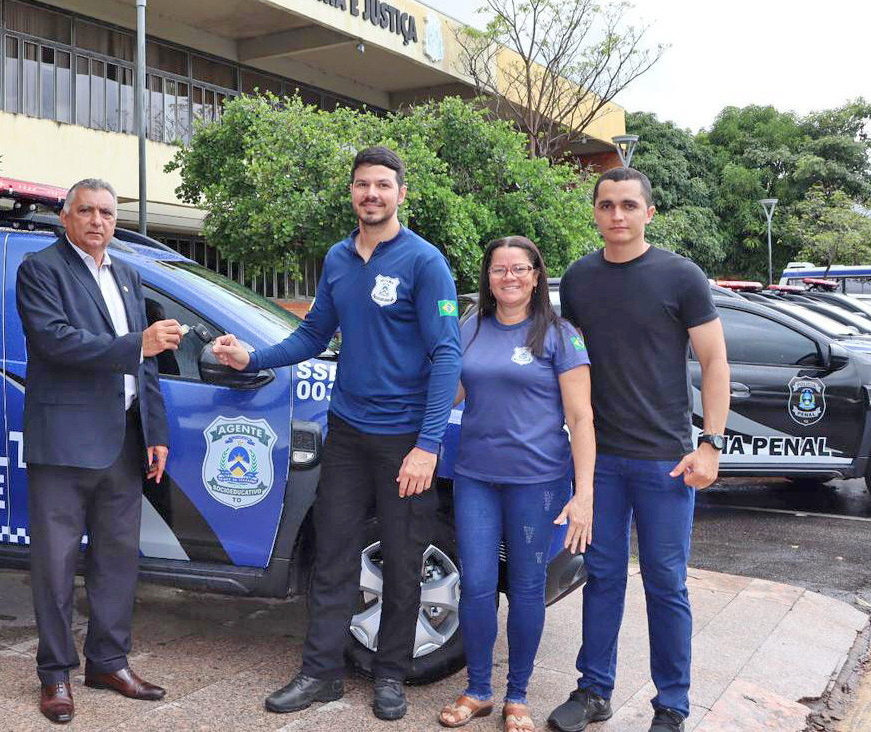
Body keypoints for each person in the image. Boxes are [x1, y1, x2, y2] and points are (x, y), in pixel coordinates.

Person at [213, 146, 461, 721]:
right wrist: (251, 358)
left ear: (401, 193)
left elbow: (447, 354)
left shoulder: (425, 262)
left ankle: (390, 675)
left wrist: (427, 446)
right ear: (352, 192)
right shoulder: (338, 258)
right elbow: (313, 336)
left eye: (383, 185)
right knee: (333, 555)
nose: (371, 194)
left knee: (403, 558)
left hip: (404, 439)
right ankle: (320, 673)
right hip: (347, 432)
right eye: (362, 184)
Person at [547, 167, 729, 732]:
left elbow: (714, 361)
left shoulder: (681, 276)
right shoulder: (579, 279)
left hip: (666, 461)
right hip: (600, 460)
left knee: (665, 583)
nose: (617, 215)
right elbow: (570, 366)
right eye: (606, 205)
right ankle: (593, 691)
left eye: (629, 205)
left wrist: (710, 444)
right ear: (595, 212)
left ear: (649, 212)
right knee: (601, 576)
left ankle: (671, 705)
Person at [15, 178, 177, 725]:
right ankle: (55, 674)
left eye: (106, 212)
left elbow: (145, 363)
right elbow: (54, 340)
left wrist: (155, 432)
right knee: (55, 566)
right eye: (85, 211)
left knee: (117, 560)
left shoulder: (127, 274)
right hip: (63, 444)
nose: (97, 221)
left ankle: (108, 662)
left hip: (124, 442)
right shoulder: (41, 269)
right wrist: (138, 344)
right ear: (66, 217)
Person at [437, 236, 594, 731]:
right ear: (488, 277)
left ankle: (518, 695)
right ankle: (478, 691)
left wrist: (584, 493)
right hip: (475, 477)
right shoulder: (470, 328)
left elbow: (581, 418)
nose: (509, 277)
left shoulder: (560, 334)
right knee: (477, 585)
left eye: (519, 269)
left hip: (538, 482)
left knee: (527, 588)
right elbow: (448, 393)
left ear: (536, 275)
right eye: (499, 269)